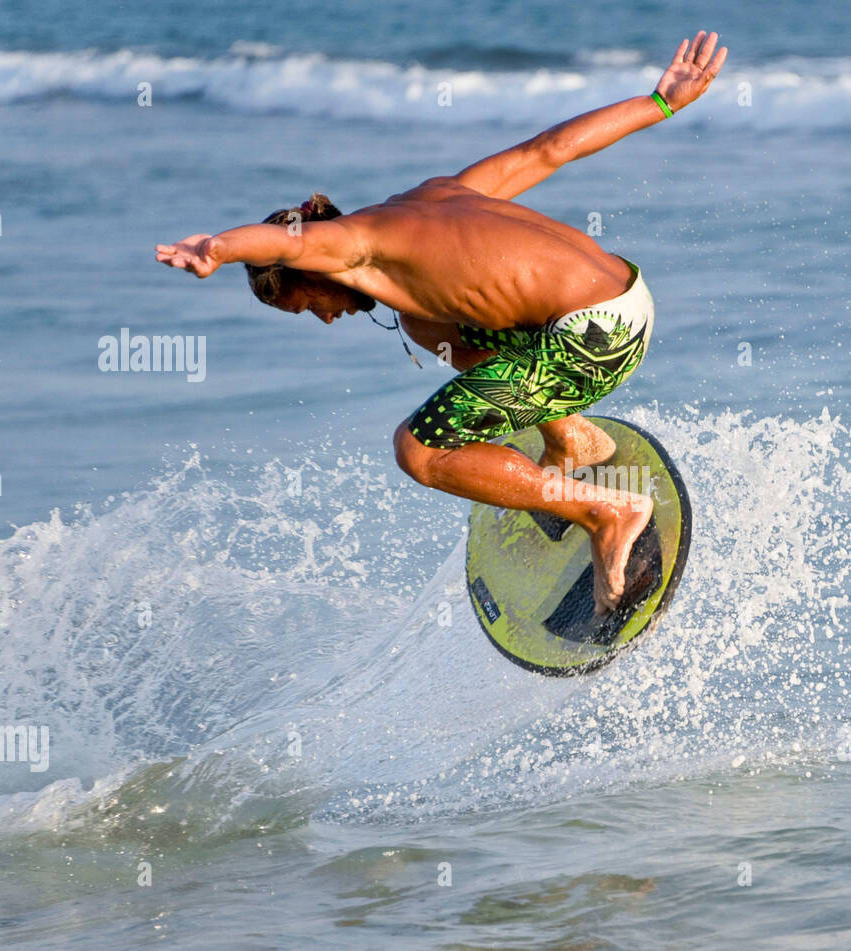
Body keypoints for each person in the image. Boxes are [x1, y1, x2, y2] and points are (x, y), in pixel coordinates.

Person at [157, 31, 727, 614]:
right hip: (629, 298)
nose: (326, 320)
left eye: (307, 307)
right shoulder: (431, 196)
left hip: (592, 343)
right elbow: (547, 150)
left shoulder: (350, 245)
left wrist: (218, 247)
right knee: (428, 327)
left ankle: (606, 512)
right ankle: (570, 435)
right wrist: (659, 103)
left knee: (419, 451)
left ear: (313, 271)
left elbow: (281, 241)